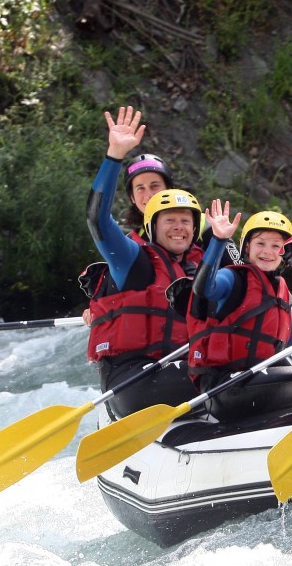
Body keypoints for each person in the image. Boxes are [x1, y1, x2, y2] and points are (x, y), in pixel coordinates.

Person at [83, 106, 202, 417]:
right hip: (136, 377)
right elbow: (97, 219)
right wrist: (114, 155)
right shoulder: (132, 254)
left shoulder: (201, 251)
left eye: (155, 186)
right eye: (140, 188)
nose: (148, 194)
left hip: (180, 361)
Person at [184, 204, 292, 422]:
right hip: (225, 387)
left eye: (276, 246)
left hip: (254, 381)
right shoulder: (232, 278)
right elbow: (204, 289)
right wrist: (217, 241)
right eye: (260, 244)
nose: (267, 251)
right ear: (247, 249)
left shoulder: (280, 289)